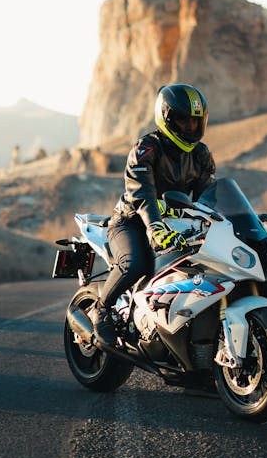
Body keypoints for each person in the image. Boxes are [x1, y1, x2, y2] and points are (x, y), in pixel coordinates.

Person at [92, 83, 216, 348]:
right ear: (167, 118)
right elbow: (142, 194)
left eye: (195, 122)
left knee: (202, 273)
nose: (190, 129)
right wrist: (154, 227)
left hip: (176, 227)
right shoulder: (146, 149)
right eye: (183, 121)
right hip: (132, 223)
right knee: (134, 264)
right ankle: (101, 309)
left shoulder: (201, 154)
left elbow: (209, 196)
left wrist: (233, 218)